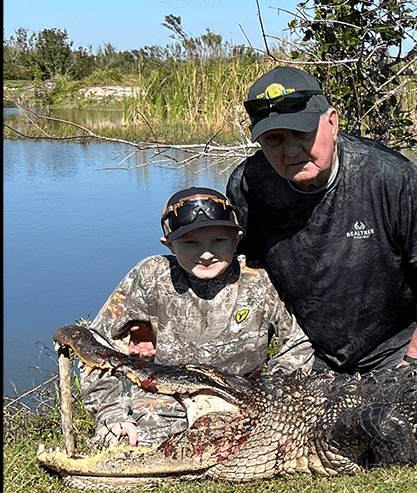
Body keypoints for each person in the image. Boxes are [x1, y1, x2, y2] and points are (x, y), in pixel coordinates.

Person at [226, 66, 417, 373]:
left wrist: (415, 361)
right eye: (274, 138)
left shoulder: (392, 178)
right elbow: (246, 271)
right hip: (305, 354)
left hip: (396, 353)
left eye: (302, 133)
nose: (290, 150)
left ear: (332, 122)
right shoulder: (248, 185)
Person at [83, 186, 314, 447]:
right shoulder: (149, 276)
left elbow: (297, 343)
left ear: (237, 238)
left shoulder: (259, 276)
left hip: (243, 404)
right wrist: (112, 414)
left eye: (218, 240)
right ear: (168, 244)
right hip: (163, 406)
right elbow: (96, 347)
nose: (206, 254)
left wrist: (274, 395)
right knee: (119, 449)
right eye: (190, 242)